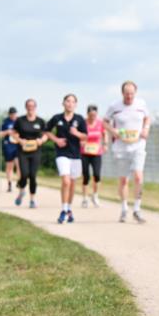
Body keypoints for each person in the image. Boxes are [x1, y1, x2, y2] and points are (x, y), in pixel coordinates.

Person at [104, 81, 150, 224]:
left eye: (132, 93)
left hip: (138, 145)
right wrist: (113, 131)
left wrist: (145, 129)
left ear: (135, 93)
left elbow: (147, 118)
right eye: (126, 93)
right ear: (122, 93)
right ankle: (124, 208)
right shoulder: (114, 106)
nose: (129, 96)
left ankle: (137, 209)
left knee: (138, 177)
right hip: (121, 147)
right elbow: (104, 122)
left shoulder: (141, 104)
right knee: (124, 179)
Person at [45, 94, 88, 224]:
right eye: (67, 101)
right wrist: (56, 139)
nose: (70, 104)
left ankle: (69, 208)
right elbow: (46, 131)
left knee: (73, 183)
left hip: (75, 155)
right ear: (63, 103)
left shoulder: (79, 119)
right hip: (62, 154)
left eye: (72, 101)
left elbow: (85, 137)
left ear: (75, 105)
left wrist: (77, 133)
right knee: (66, 181)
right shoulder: (57, 118)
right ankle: (63, 209)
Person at [10, 99, 47, 209]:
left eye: (32, 106)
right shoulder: (20, 120)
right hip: (23, 151)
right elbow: (13, 133)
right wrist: (20, 140)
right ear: (26, 107)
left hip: (36, 151)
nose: (30, 108)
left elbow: (46, 134)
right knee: (24, 174)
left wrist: (41, 140)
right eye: (28, 106)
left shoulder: (40, 121)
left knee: (33, 176)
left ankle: (32, 199)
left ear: (35, 107)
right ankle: (21, 191)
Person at [80, 104, 107, 208]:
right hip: (84, 152)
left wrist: (105, 144)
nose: (93, 117)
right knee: (86, 176)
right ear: (87, 114)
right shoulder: (83, 123)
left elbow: (105, 134)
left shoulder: (100, 123)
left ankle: (95, 195)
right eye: (91, 115)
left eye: (94, 115)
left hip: (96, 152)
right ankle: (85, 198)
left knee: (97, 175)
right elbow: (78, 135)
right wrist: (81, 141)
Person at [0, 107, 20, 192]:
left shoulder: (20, 121)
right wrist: (7, 131)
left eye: (14, 113)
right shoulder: (5, 122)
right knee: (9, 166)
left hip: (18, 145)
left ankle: (19, 181)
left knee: (19, 165)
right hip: (9, 145)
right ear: (9, 114)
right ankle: (9, 184)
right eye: (11, 114)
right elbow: (0, 134)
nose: (13, 115)